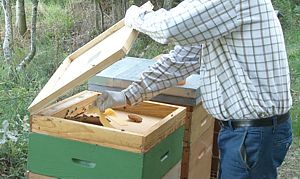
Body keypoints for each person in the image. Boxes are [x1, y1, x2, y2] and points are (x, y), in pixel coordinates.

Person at [95, 0, 293, 178]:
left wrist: (135, 17)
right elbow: (180, 61)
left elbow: (171, 27)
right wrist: (125, 96)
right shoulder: (217, 14)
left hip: (253, 134)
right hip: (248, 133)